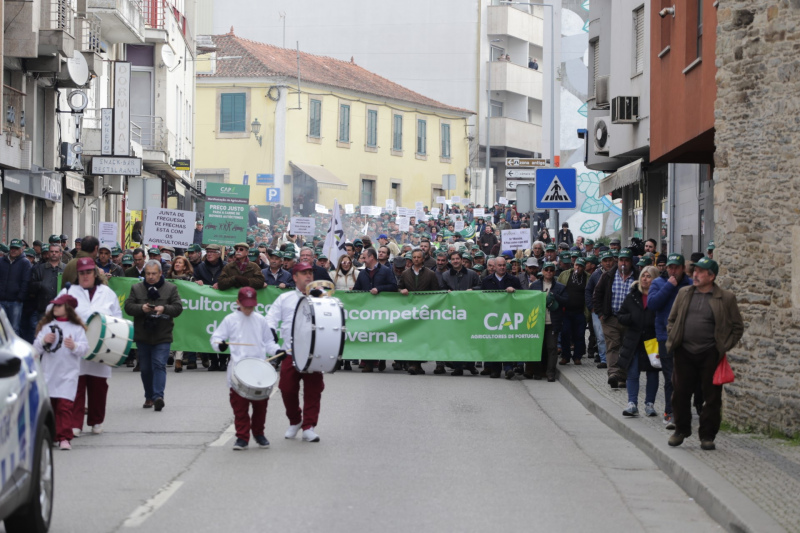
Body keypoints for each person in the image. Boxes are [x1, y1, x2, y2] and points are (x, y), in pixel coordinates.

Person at [666, 257, 743, 451]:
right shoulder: (684, 293)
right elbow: (672, 319)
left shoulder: (725, 298)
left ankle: (707, 436)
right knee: (680, 394)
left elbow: (737, 327)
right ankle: (681, 430)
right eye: (695, 271)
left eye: (701, 272)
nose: (696, 275)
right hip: (684, 352)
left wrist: (723, 347)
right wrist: (674, 337)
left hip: (710, 354)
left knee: (712, 397)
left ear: (712, 276)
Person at [55, 257, 122, 437]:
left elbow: (117, 317)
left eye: (88, 272)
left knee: (98, 386)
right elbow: (52, 311)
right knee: (76, 386)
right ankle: (75, 423)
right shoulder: (69, 291)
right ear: (78, 275)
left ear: (95, 274)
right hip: (75, 346)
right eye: (82, 273)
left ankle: (96, 421)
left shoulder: (107, 293)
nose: (85, 276)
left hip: (101, 347)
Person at [265, 263, 325, 443]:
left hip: (314, 352)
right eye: (303, 273)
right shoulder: (286, 298)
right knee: (286, 389)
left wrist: (320, 300)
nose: (308, 276)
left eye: (310, 273)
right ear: (295, 277)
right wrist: (270, 330)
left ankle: (309, 427)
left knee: (313, 391)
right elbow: (271, 317)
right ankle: (295, 420)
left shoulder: (322, 298)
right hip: (290, 351)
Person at [211, 287, 272, 451]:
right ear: (237, 302)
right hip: (238, 370)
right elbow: (216, 338)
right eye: (245, 305)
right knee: (240, 408)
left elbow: (269, 342)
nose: (248, 309)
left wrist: (277, 351)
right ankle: (242, 437)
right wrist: (220, 345)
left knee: (260, 406)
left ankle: (259, 434)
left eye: (251, 305)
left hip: (258, 369)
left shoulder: (260, 320)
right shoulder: (230, 319)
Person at [124, 260, 184, 412]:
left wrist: (164, 309)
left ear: (160, 274)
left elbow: (178, 308)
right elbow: (128, 307)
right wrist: (141, 308)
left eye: (154, 274)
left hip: (162, 334)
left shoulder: (171, 288)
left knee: (158, 364)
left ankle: (158, 397)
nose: (150, 277)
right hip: (143, 334)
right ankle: (149, 396)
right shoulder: (136, 288)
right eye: (148, 274)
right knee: (145, 369)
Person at [33, 294, 88, 450]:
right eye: (54, 306)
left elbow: (85, 348)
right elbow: (35, 348)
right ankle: (50, 435)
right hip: (49, 373)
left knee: (64, 406)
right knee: (50, 406)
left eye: (59, 305)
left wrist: (74, 346)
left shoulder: (77, 328)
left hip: (68, 374)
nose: (55, 308)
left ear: (68, 308)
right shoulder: (46, 326)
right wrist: (44, 341)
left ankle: (64, 437)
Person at [647, 253, 692, 429]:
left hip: (687, 337)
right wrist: (668, 286)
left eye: (676, 267)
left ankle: (683, 411)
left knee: (685, 377)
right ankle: (670, 412)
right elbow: (652, 305)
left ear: (682, 269)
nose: (672, 270)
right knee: (671, 377)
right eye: (670, 267)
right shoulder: (659, 283)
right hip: (666, 338)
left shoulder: (689, 284)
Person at [617, 266, 661, 417]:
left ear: (654, 279)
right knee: (632, 372)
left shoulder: (658, 297)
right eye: (643, 276)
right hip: (633, 340)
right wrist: (631, 318)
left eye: (648, 276)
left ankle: (650, 404)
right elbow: (621, 315)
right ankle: (632, 403)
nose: (645, 279)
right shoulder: (632, 296)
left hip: (652, 340)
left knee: (652, 373)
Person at [593, 248, 638, 388]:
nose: (623, 263)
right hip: (610, 318)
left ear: (631, 262)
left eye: (626, 260)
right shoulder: (608, 276)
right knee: (613, 346)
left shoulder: (637, 277)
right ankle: (613, 374)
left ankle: (622, 376)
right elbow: (597, 294)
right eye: (621, 260)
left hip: (630, 320)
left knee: (626, 348)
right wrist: (601, 314)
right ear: (617, 261)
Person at [399, 249, 444, 375]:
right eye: (414, 257)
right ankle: (414, 364)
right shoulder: (405, 273)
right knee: (413, 337)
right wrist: (400, 290)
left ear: (423, 259)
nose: (416, 259)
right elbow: (398, 287)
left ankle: (430, 363)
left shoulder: (430, 274)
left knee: (425, 337)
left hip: (426, 311)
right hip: (411, 311)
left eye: (419, 257)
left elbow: (435, 292)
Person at [353, 248, 398, 372]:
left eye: (364, 257)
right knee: (368, 336)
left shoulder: (386, 271)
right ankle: (368, 363)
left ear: (371, 257)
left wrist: (380, 289)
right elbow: (357, 290)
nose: (362, 259)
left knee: (381, 336)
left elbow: (393, 286)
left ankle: (382, 358)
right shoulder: (362, 273)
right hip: (367, 311)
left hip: (382, 310)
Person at [481, 256, 522, 379]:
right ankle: (495, 369)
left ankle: (508, 367)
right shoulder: (486, 280)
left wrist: (514, 291)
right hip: (492, 316)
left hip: (508, 316)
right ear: (494, 266)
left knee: (507, 341)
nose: (502, 267)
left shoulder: (514, 280)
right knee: (494, 342)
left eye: (504, 265)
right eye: (499, 265)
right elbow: (481, 297)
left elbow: (521, 295)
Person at [527, 262, 567, 381]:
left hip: (552, 322)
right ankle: (538, 372)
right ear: (543, 271)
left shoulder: (560, 287)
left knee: (552, 348)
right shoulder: (534, 286)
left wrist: (555, 297)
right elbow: (528, 302)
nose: (549, 272)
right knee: (538, 348)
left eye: (551, 270)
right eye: (546, 269)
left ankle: (550, 373)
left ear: (554, 272)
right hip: (537, 322)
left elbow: (566, 301)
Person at [557, 257, 589, 365]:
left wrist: (587, 313)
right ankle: (566, 356)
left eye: (580, 266)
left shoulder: (587, 277)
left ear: (584, 268)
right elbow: (557, 288)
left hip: (580, 312)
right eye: (576, 265)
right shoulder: (565, 275)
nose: (578, 268)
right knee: (565, 333)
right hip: (566, 311)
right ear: (573, 265)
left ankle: (577, 357)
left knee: (579, 335)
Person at [0, 239, 32, 335]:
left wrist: (20, 298)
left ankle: (14, 349)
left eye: (16, 248)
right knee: (1, 330)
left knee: (14, 329)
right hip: (1, 300)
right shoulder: (1, 261)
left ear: (21, 250)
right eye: (12, 248)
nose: (13, 250)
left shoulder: (25, 263)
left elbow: (26, 282)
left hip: (15, 302)